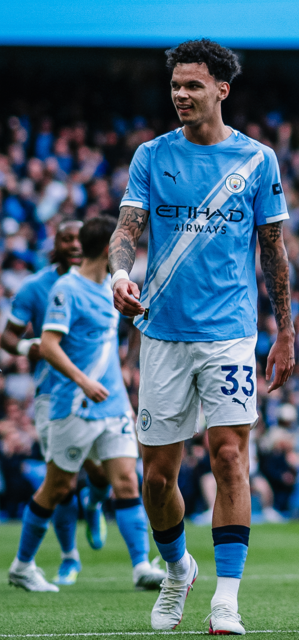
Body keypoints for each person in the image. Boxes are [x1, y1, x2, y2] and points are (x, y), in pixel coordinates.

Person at [109, 39, 295, 634]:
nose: (182, 96)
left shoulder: (258, 160)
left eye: (193, 85)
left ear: (222, 89)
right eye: (175, 87)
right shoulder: (152, 156)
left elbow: (274, 252)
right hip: (162, 333)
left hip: (230, 334)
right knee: (157, 477)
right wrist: (118, 273)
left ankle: (226, 600)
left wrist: (284, 331)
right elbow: (126, 229)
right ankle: (178, 566)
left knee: (230, 457)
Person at [7, 216, 166, 593]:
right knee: (58, 487)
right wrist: (84, 380)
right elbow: (47, 346)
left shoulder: (114, 290)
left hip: (111, 405)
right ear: (107, 248)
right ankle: (22, 566)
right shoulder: (65, 288)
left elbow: (120, 339)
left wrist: (124, 383)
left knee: (127, 480)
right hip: (73, 403)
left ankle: (141, 565)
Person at [1, 219, 112, 585]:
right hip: (55, 393)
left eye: (80, 238)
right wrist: (27, 347)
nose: (75, 244)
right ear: (57, 244)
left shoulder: (107, 283)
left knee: (101, 472)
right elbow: (8, 337)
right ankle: (68, 557)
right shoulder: (37, 288)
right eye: (67, 239)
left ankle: (94, 505)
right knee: (60, 481)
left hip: (101, 390)